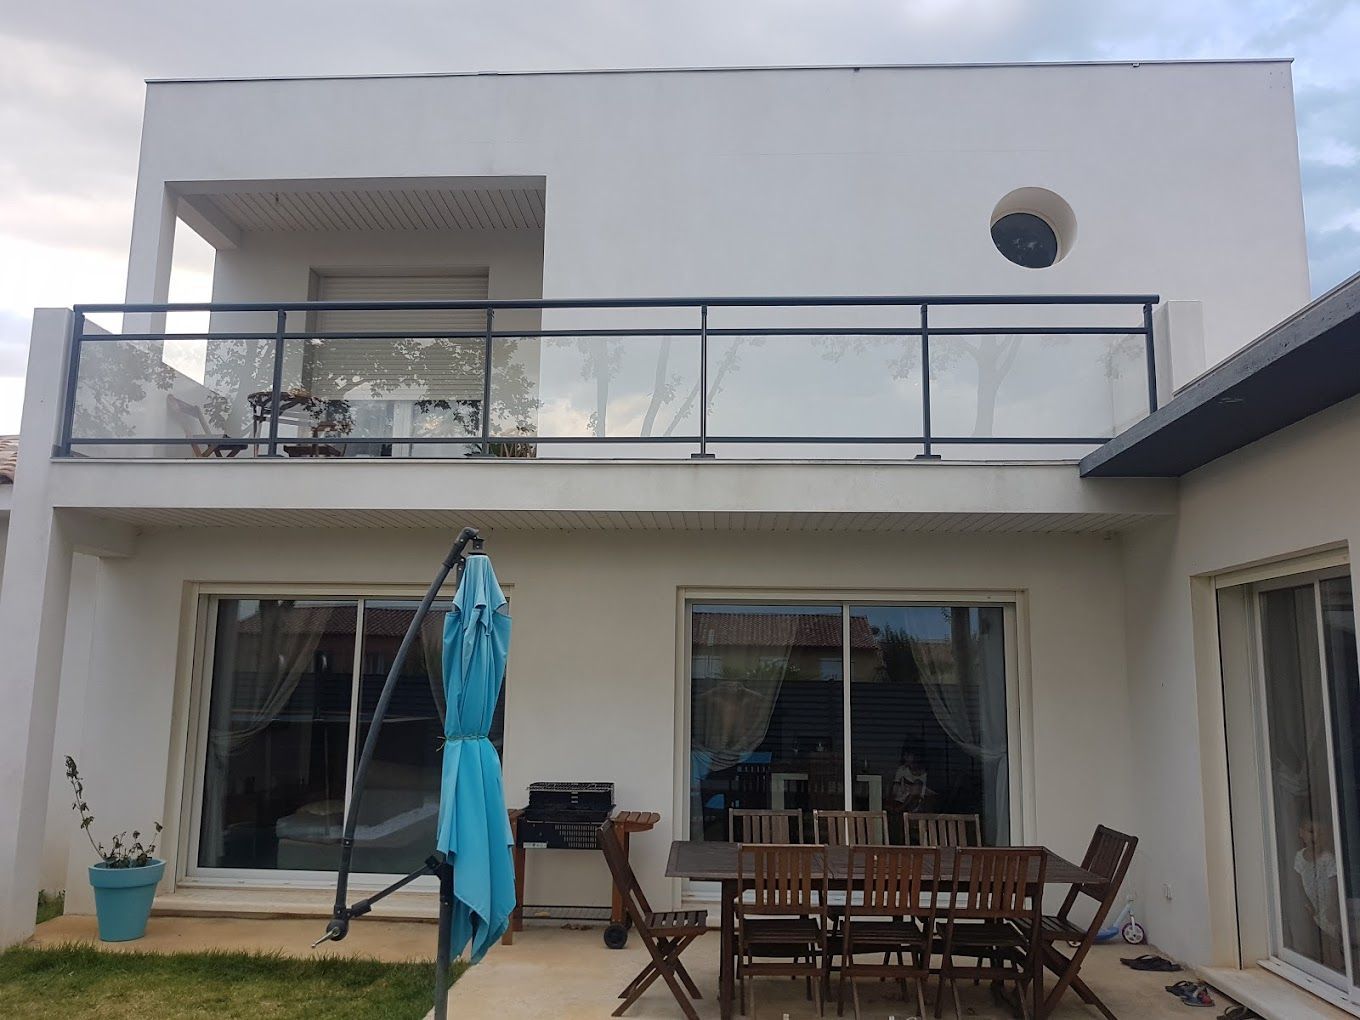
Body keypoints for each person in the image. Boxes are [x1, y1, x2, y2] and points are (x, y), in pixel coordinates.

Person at [1295, 816, 1344, 970]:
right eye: (1310, 831)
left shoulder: (1327, 858)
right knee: (1317, 940)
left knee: (1332, 938)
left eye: (1319, 833)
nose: (1315, 836)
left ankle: (1338, 967)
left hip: (1327, 905)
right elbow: (1298, 883)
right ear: (1301, 833)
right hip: (1312, 904)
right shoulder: (1299, 857)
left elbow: (1334, 884)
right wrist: (1306, 903)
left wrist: (1332, 906)